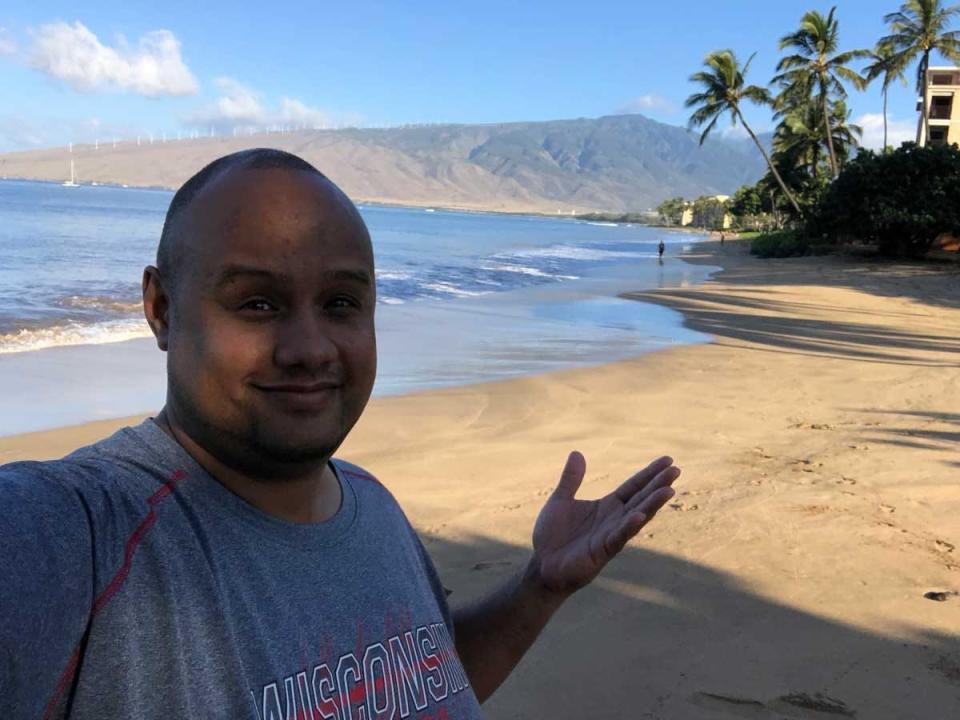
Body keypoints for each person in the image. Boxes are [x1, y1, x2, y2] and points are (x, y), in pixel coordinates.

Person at [0, 149, 680, 719]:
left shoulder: (370, 503)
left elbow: (423, 681)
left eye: (342, 304)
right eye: (258, 303)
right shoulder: (78, 532)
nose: (310, 348)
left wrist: (540, 587)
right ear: (161, 310)